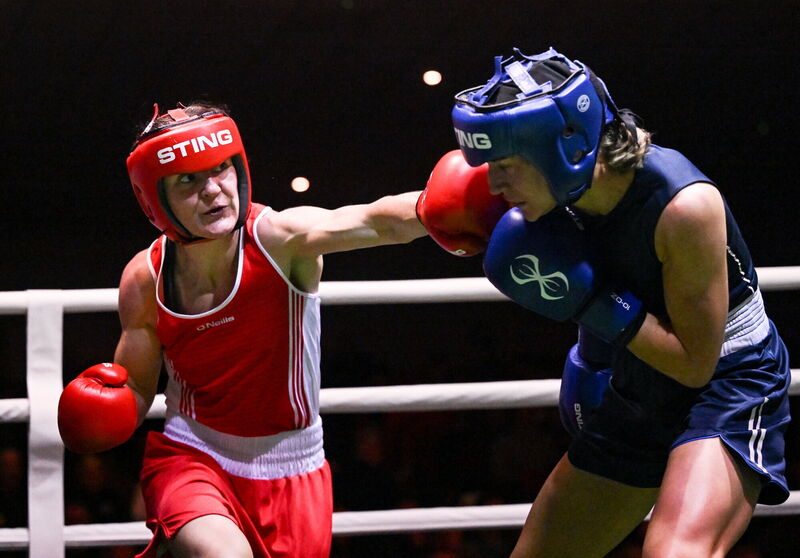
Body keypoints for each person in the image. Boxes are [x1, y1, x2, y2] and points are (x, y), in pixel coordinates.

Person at [417, 47, 791, 557]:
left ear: (563, 147)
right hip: (638, 380)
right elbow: (399, 217)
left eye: (506, 164)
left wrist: (593, 302)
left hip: (725, 381)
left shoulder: (683, 206)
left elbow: (694, 366)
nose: (494, 183)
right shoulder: (539, 192)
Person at [57, 102, 427, 558]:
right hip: (193, 455)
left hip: (294, 468)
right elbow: (135, 383)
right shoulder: (145, 278)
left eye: (221, 170)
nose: (213, 191)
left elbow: (375, 220)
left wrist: (450, 204)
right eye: (188, 179)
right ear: (155, 198)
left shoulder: (281, 240)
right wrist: (104, 414)